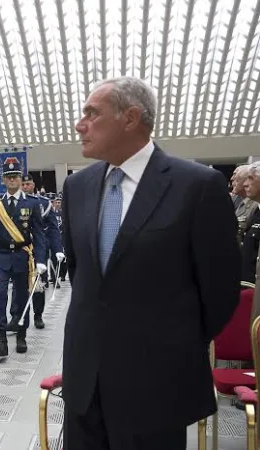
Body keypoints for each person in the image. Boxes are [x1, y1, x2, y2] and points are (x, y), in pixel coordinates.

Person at [62, 76, 240, 449]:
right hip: (85, 386)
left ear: (130, 118)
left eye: (92, 113)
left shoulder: (196, 186)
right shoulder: (77, 188)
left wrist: (167, 345)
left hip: (156, 388)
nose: (80, 124)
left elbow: (220, 292)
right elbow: (83, 275)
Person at [0, 159, 47, 357]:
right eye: (9, 177)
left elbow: (38, 234)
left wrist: (41, 260)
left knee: (22, 298)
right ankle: (1, 338)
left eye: (16, 177)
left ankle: (21, 334)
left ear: (21, 179)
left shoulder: (32, 203)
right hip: (2, 255)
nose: (12, 180)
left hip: (22, 255)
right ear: (3, 180)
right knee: (0, 296)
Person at [8, 174, 64, 330]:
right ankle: (15, 316)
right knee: (18, 285)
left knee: (38, 284)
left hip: (39, 251)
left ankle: (38, 315)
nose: (25, 186)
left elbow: (53, 229)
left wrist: (58, 249)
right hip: (20, 250)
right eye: (23, 184)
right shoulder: (13, 203)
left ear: (34, 185)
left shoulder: (44, 204)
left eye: (28, 184)